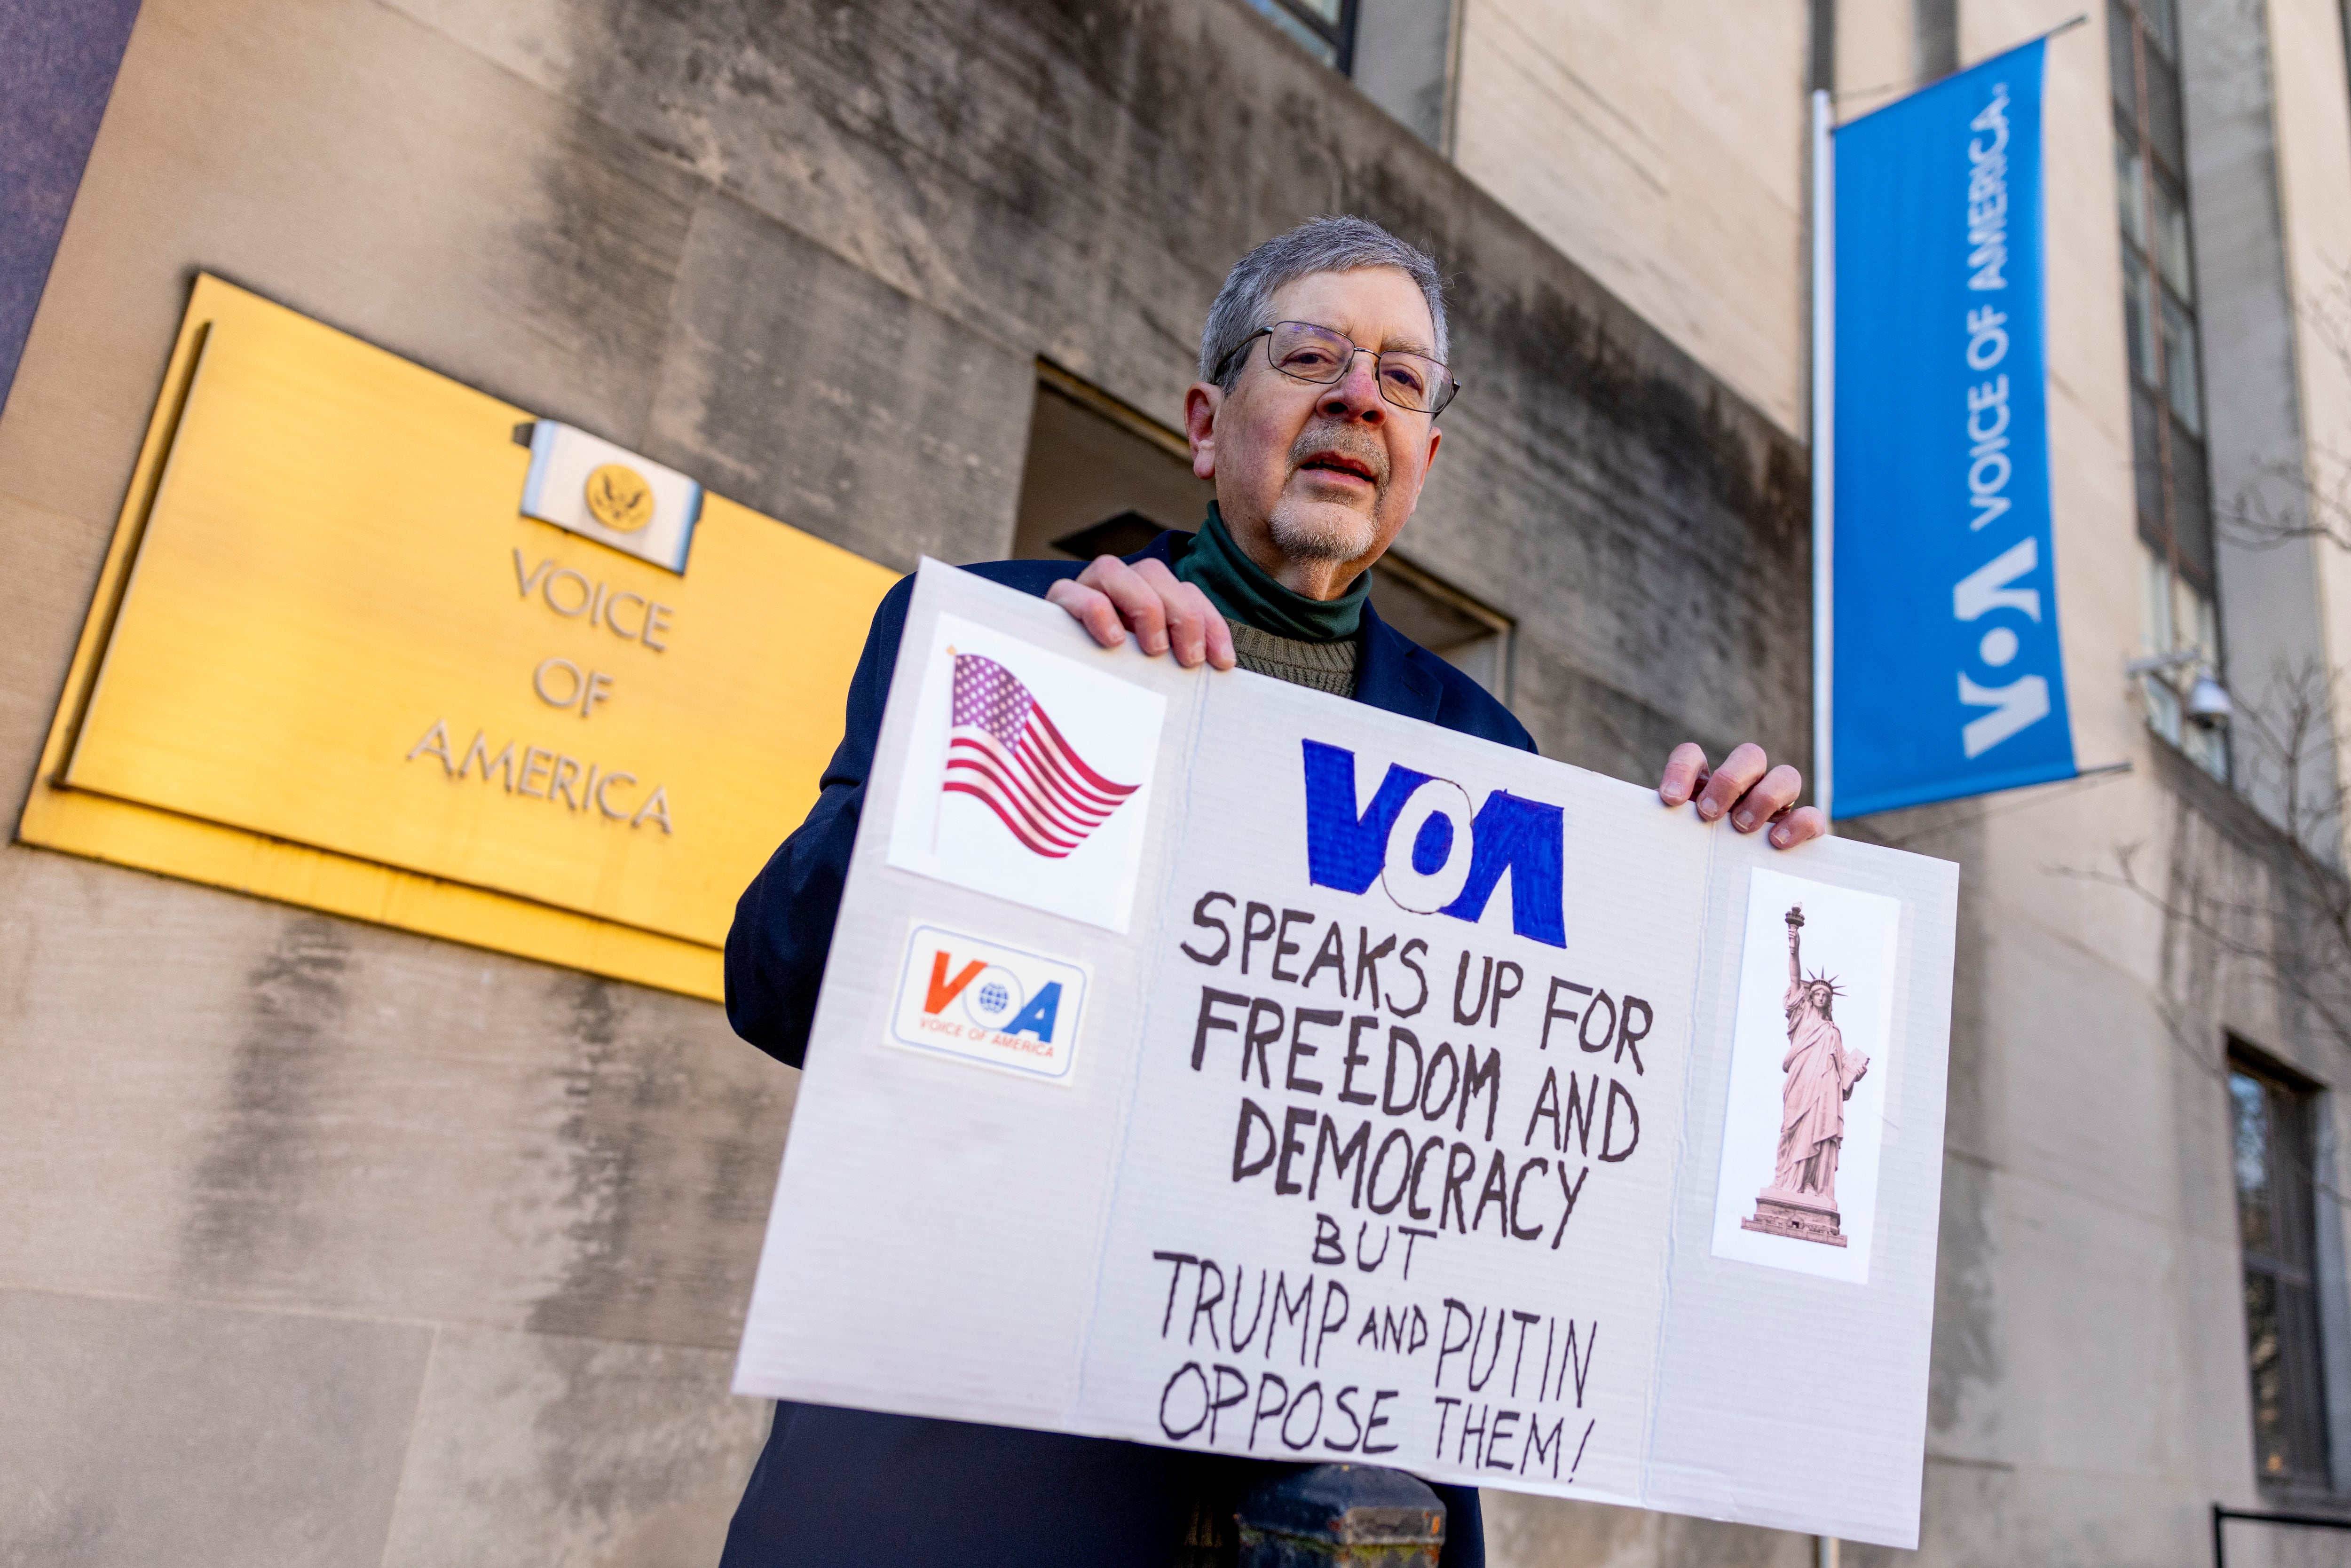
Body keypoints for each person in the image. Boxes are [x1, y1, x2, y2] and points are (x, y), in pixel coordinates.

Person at [719, 216, 1827, 1568]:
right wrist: (1018, 715)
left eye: (1404, 380)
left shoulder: (1490, 757)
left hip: (1329, 1517)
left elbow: (1571, 1151)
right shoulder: (1009, 638)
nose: (1361, 396)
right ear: (1204, 421)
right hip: (978, 1482)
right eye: (1312, 355)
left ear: (1422, 454)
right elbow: (777, 984)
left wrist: (1728, 902)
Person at [1771, 908, 1869, 1202]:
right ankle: (1788, 1182)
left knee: (1818, 1129)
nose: (1822, 997)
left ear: (1829, 1003)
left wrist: (1855, 1074)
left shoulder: (1833, 1032)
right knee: (1794, 1128)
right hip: (1801, 1082)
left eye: (1827, 996)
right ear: (1810, 997)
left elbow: (1842, 1073)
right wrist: (1794, 946)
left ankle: (1811, 1184)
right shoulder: (1801, 1018)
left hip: (1825, 1092)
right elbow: (1795, 976)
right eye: (1817, 993)